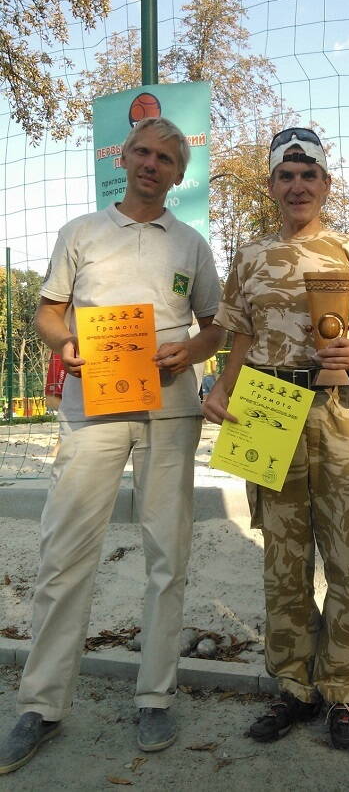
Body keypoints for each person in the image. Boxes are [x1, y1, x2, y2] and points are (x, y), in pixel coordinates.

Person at [0, 117, 224, 775]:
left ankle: (155, 695)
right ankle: (41, 703)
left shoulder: (191, 244)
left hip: (170, 410)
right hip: (91, 408)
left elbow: (215, 326)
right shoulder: (82, 233)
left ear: (180, 174)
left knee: (167, 554)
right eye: (142, 152)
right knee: (64, 552)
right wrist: (63, 342)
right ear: (122, 158)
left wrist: (193, 351)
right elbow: (48, 310)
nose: (151, 164)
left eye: (165, 158)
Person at [203, 127, 349, 750]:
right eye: (286, 176)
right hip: (265, 406)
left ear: (326, 183)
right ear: (272, 186)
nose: (298, 185)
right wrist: (222, 388)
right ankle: (293, 685)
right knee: (283, 559)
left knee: (343, 553)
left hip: (334, 409)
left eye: (308, 174)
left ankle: (343, 690)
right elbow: (240, 336)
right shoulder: (250, 257)